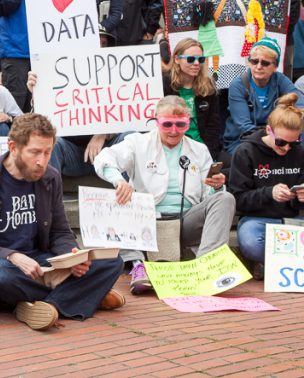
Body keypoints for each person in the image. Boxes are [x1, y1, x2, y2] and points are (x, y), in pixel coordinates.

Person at [0, 113, 125, 331]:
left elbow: (60, 232)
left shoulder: (50, 177)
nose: (41, 161)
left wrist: (72, 256)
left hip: (38, 264)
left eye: (47, 152)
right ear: (13, 147)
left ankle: (42, 306)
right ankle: (85, 295)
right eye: (34, 152)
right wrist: (11, 256)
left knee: (112, 262)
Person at [94, 96, 233, 294]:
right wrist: (119, 181)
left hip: (185, 221)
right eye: (167, 124)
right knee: (116, 198)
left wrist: (216, 187)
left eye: (180, 124)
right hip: (146, 222)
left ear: (188, 123)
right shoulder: (137, 142)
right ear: (156, 121)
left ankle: (207, 268)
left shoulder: (199, 150)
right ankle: (136, 265)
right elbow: (104, 158)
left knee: (225, 198)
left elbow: (207, 196)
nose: (174, 131)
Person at [228, 94, 304, 272]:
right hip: (257, 220)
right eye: (281, 142)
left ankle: (279, 264)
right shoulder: (245, 151)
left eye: (293, 143)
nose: (286, 148)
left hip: (291, 220)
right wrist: (269, 193)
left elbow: (300, 202)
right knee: (251, 243)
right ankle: (300, 265)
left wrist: (302, 197)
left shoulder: (298, 153)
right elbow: (238, 199)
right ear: (269, 130)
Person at [222, 38, 298, 154]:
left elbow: (301, 107)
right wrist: (273, 138)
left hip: (277, 138)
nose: (258, 66)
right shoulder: (238, 85)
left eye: (265, 63)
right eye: (254, 61)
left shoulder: (281, 81)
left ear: (275, 66)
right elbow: (244, 126)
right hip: (242, 140)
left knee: (298, 147)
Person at [163, 38, 223, 161]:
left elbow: (213, 125)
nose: (196, 63)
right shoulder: (164, 84)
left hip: (203, 147)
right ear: (176, 59)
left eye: (200, 59)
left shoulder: (208, 85)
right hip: (173, 146)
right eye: (190, 59)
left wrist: (209, 156)